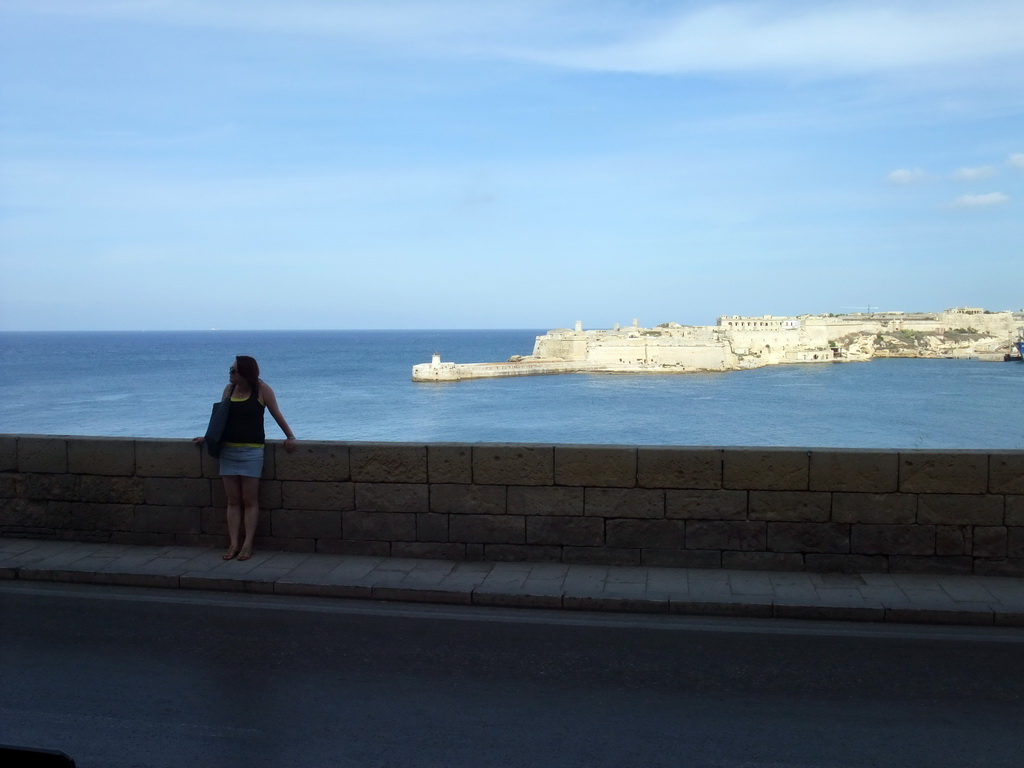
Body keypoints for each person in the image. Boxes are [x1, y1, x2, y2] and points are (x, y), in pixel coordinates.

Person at [194, 355, 296, 561]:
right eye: (230, 370)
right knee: (232, 500)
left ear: (244, 372)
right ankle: (233, 544)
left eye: (233, 370)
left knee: (250, 500)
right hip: (228, 450)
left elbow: (276, 413)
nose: (229, 373)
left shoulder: (262, 390)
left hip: (252, 451)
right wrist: (208, 437)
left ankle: (247, 544)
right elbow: (220, 419)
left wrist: (290, 436)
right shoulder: (229, 390)